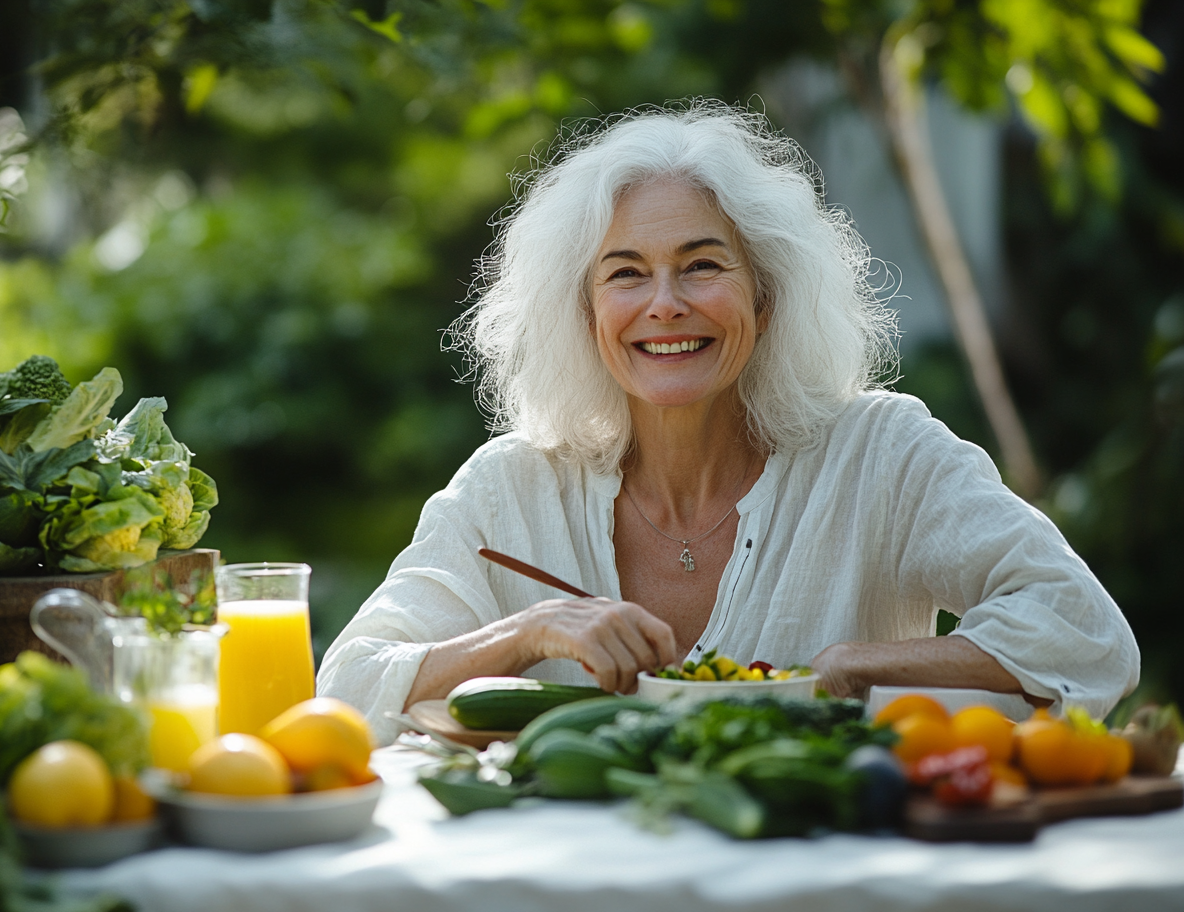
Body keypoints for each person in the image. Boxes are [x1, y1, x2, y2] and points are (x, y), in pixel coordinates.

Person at [318, 103, 1139, 743]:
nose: (664, 304)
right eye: (626, 274)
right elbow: (349, 685)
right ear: (585, 312)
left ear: (766, 295)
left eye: (703, 264)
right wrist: (530, 633)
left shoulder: (884, 453)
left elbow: (1086, 637)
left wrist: (856, 667)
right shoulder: (510, 487)